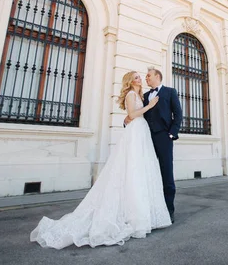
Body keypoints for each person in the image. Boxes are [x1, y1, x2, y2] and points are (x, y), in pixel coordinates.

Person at [30, 71, 172, 249]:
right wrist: (149, 106)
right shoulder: (130, 94)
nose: (140, 78)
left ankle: (146, 214)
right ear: (129, 81)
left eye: (140, 76)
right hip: (135, 131)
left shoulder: (140, 95)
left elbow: (135, 115)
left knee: (143, 169)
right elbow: (132, 114)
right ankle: (134, 217)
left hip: (142, 132)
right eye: (136, 77)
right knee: (132, 167)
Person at [124, 67, 182, 223]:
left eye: (148, 76)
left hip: (164, 137)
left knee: (166, 172)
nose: (146, 78)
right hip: (146, 138)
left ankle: (169, 210)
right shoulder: (145, 96)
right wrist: (127, 121)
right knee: (147, 172)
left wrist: (172, 133)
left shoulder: (170, 92)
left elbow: (178, 114)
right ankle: (150, 208)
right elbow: (137, 112)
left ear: (157, 76)